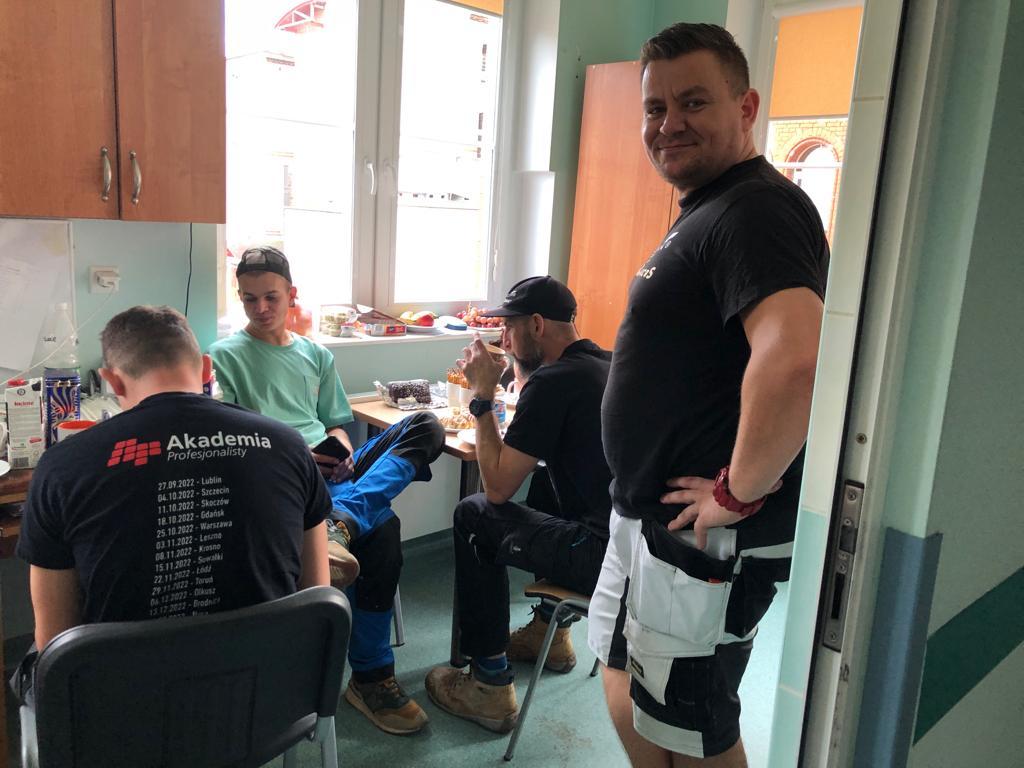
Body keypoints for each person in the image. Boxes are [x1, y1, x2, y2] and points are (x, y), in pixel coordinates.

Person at [587, 23, 829, 767]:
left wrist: (737, 492)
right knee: (626, 674)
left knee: (694, 731)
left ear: (746, 106)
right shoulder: (709, 209)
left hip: (702, 535)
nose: (669, 124)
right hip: (651, 519)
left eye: (693, 102)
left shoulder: (757, 210)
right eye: (655, 107)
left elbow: (797, 361)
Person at [12, 305, 331, 707]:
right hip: (264, 703)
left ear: (112, 381)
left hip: (120, 714)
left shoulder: (62, 465)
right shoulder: (289, 445)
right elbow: (316, 597)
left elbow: (55, 642)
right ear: (206, 370)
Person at [209, 246, 445, 736]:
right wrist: (296, 452)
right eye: (249, 299)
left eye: (271, 297)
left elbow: (336, 424)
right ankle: (372, 677)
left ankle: (345, 518)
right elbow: (227, 442)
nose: (260, 308)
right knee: (384, 530)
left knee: (426, 425)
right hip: (274, 475)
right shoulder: (224, 356)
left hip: (333, 474)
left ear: (291, 294)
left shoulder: (315, 354)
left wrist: (343, 449)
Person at [425, 276, 614, 734]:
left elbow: (497, 488)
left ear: (537, 324)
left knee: (474, 513)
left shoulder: (554, 381)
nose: (503, 338)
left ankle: (488, 685)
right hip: (632, 548)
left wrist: (482, 396)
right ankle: (552, 634)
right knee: (546, 479)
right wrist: (514, 367)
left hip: (599, 559)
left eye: (509, 328)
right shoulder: (604, 362)